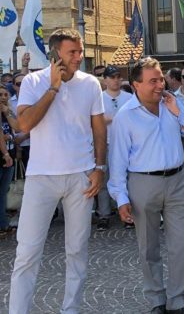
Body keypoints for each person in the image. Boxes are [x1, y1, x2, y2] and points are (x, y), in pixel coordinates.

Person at [9, 28, 106, 314]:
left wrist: (99, 167)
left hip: (81, 176)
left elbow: (98, 129)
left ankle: (71, 309)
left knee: (77, 250)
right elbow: (25, 125)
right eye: (72, 52)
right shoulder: (32, 81)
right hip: (41, 177)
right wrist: (52, 88)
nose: (79, 57)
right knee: (27, 252)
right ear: (56, 54)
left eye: (80, 50)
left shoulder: (90, 84)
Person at [108, 57, 184, 314]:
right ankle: (156, 300)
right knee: (148, 246)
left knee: (182, 243)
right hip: (142, 183)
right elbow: (117, 161)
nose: (160, 84)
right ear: (136, 85)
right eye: (153, 81)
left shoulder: (173, 104)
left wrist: (178, 110)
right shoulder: (125, 117)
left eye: (161, 78)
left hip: (177, 181)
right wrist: (120, 198)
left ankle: (178, 300)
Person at [96, 65, 133, 232]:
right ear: (105, 80)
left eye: (118, 77)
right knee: (104, 180)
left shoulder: (129, 97)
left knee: (128, 180)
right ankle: (103, 215)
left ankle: (128, 214)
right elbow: (93, 121)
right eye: (112, 77)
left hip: (126, 144)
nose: (116, 80)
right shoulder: (98, 98)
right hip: (105, 143)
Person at [0, 85, 17, 235]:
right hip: (3, 156)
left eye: (6, 94)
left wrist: (7, 112)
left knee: (3, 192)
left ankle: (3, 224)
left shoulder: (7, 113)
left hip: (9, 154)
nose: (4, 97)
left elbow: (15, 129)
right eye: (0, 95)